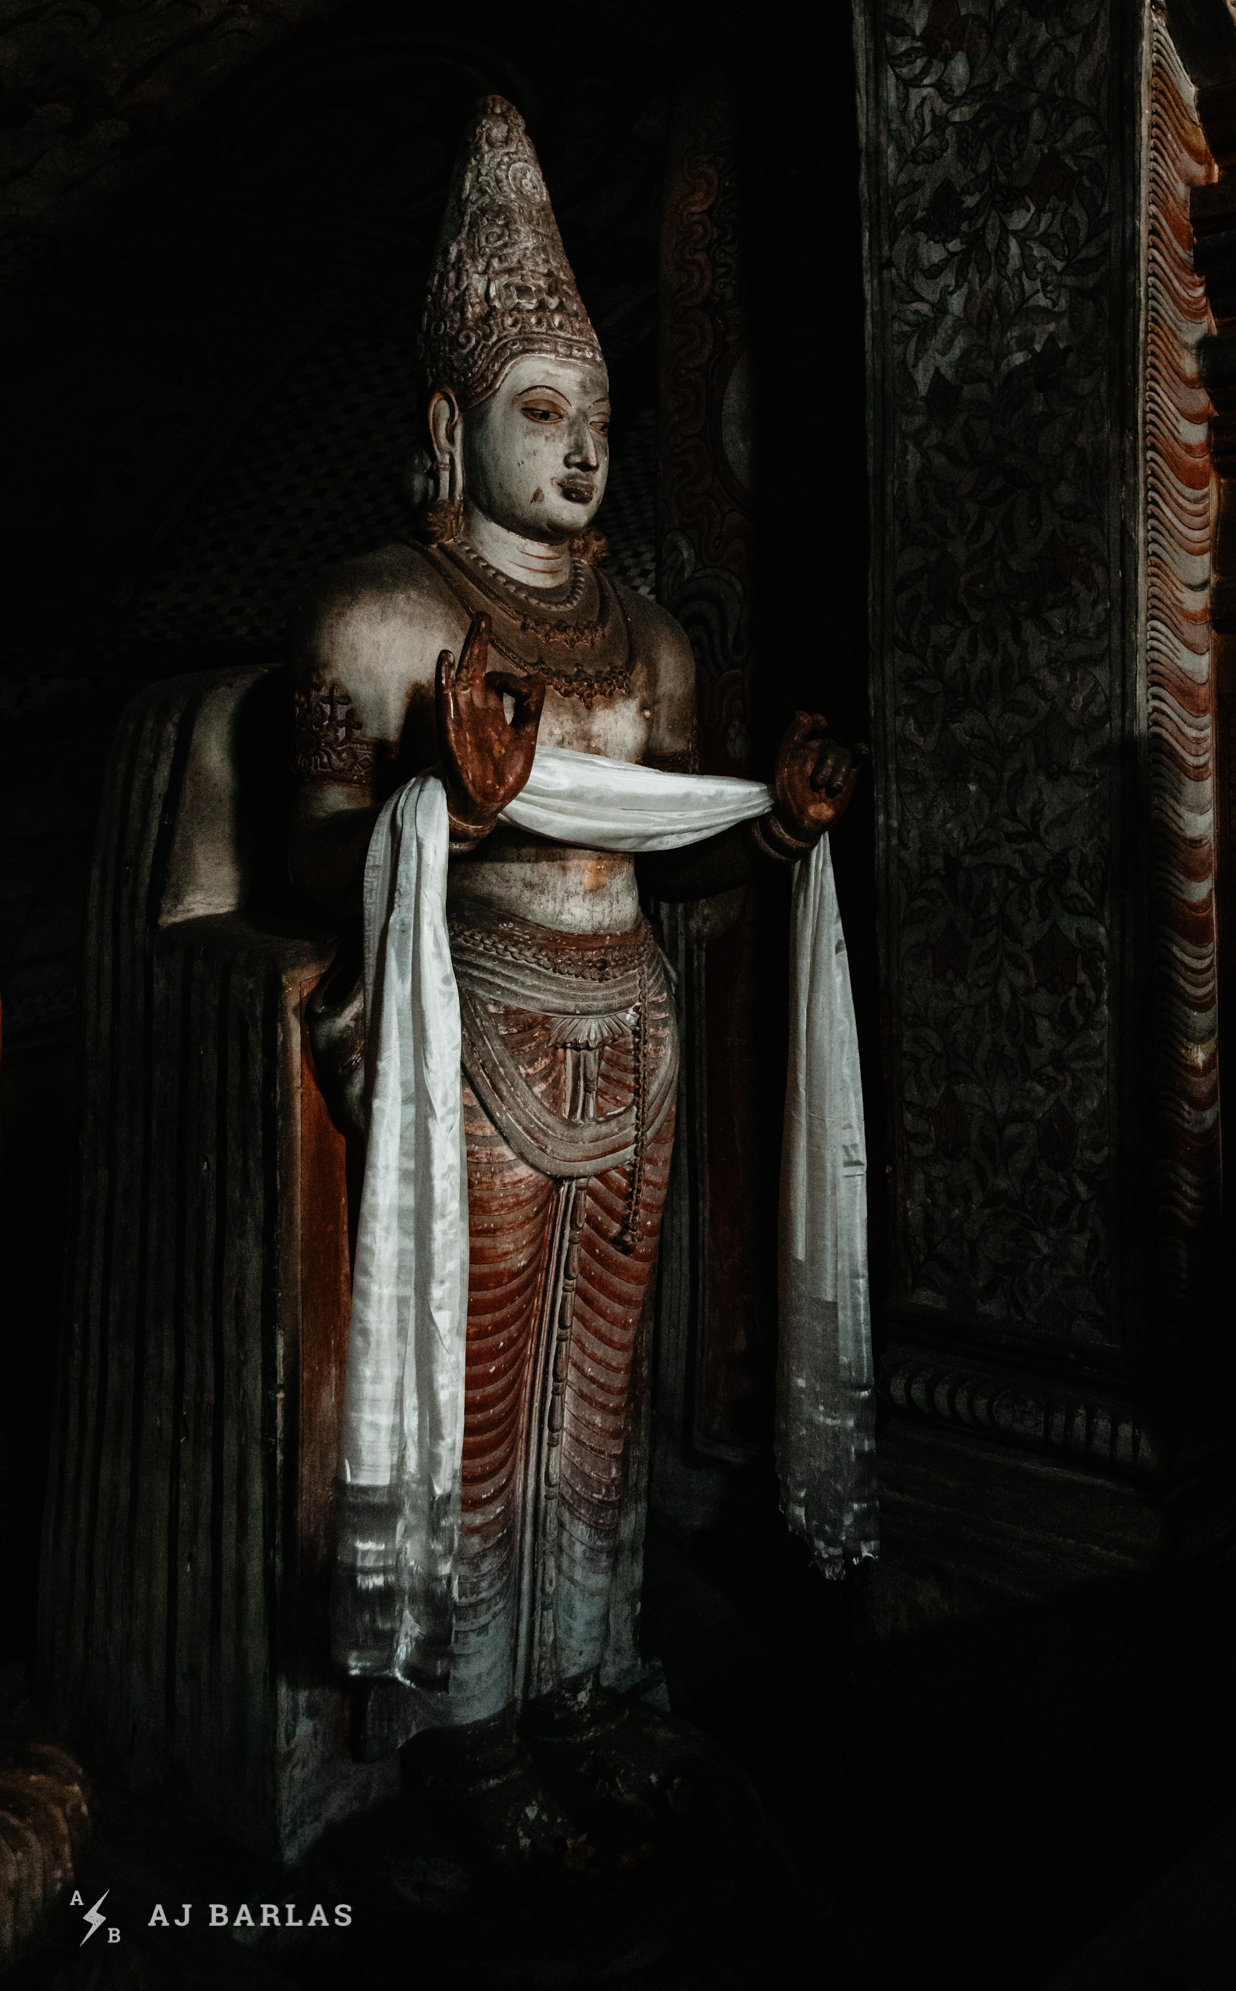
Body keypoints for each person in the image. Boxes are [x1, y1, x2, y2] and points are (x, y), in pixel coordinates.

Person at [288, 94, 861, 1854]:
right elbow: (322, 869)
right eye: (547, 413)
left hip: (639, 1031)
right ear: (455, 427)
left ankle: (594, 1677)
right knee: (482, 1381)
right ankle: (467, 1720)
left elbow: (674, 872)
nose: (587, 449)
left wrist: (770, 836)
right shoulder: (381, 615)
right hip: (474, 1035)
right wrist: (439, 812)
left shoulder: (656, 640)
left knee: (598, 1397)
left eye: (601, 419)